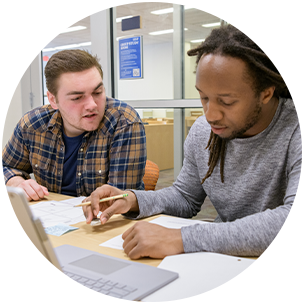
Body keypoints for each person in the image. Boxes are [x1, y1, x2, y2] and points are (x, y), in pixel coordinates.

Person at [84, 23, 303, 259]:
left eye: (226, 101)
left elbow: (299, 223)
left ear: (266, 93)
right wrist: (132, 199)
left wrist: (182, 239)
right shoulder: (204, 131)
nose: (210, 115)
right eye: (203, 97)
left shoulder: (298, 126)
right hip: (226, 259)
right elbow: (185, 197)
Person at [1, 49, 147, 201]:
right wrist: (15, 181)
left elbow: (121, 199)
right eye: (77, 97)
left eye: (98, 92)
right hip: (51, 216)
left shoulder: (124, 123)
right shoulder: (33, 125)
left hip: (104, 220)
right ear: (52, 99)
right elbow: (4, 167)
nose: (92, 105)